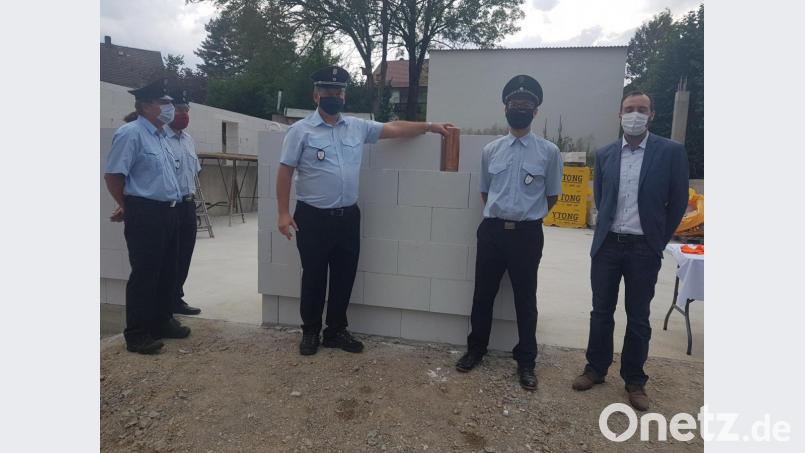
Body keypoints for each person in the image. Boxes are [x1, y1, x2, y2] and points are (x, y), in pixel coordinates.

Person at [276, 65, 453, 356]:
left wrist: (430, 126)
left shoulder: (357, 127)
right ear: (316, 95)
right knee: (314, 277)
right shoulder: (300, 131)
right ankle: (310, 332)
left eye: (338, 91)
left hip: (348, 217)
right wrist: (283, 213)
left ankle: (335, 331)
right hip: (312, 217)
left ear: (344, 96)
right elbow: (284, 172)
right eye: (327, 91)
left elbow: (394, 129)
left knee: (345, 276)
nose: (333, 96)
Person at [571, 91, 689, 411]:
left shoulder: (670, 152)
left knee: (638, 317)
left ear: (652, 115)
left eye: (641, 109)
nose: (634, 114)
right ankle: (595, 369)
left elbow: (678, 202)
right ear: (619, 115)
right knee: (600, 312)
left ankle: (634, 380)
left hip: (643, 249)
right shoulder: (606, 153)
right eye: (629, 109)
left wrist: (657, 240)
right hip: (608, 246)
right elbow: (600, 197)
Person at [454, 75, 563, 391]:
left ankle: (526, 360)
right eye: (515, 104)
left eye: (526, 105)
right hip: (492, 232)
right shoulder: (491, 150)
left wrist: (526, 216)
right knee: (482, 295)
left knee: (525, 299)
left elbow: (552, 196)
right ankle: (476, 349)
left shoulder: (549, 152)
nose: (520, 109)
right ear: (505, 109)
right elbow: (486, 192)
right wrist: (502, 217)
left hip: (527, 236)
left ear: (535, 111)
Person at [104, 78, 192, 354]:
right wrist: (126, 204)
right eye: (164, 103)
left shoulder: (161, 136)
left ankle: (162, 320)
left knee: (168, 269)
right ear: (146, 106)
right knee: (145, 273)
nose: (170, 108)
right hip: (145, 212)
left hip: (170, 210)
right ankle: (138, 332)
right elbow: (113, 175)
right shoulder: (131, 133)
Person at [164, 87, 203, 316]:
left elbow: (194, 170)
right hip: (170, 206)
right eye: (179, 109)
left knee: (184, 254)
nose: (184, 114)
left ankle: (176, 298)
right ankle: (165, 303)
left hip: (188, 204)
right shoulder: (161, 139)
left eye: (187, 109)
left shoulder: (188, 140)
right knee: (169, 256)